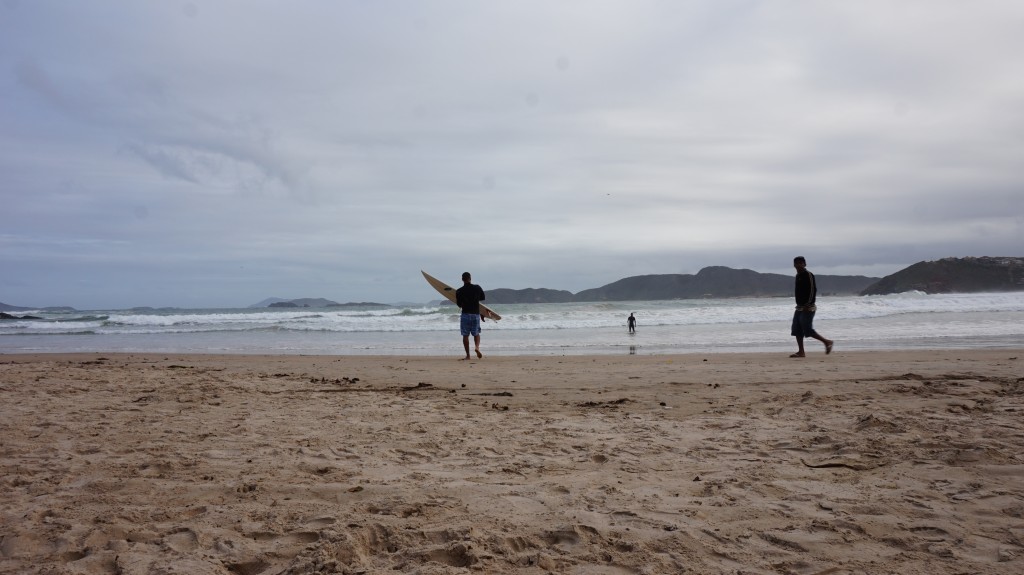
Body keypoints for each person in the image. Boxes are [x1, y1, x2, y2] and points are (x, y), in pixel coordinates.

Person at [791, 256, 834, 357]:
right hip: (799, 307)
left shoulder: (808, 275)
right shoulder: (798, 276)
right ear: (794, 265)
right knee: (796, 329)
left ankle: (827, 342)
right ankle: (801, 351)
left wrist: (808, 304)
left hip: (808, 307)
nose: (798, 265)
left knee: (807, 329)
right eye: (797, 263)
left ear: (805, 264)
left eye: (801, 263)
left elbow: (812, 291)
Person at [455, 272, 485, 360]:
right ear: (470, 278)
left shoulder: (459, 291)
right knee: (476, 334)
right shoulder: (477, 288)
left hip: (465, 315)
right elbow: (482, 298)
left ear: (462, 279)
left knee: (465, 335)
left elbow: (459, 305)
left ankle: (468, 356)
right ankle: (477, 347)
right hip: (475, 314)